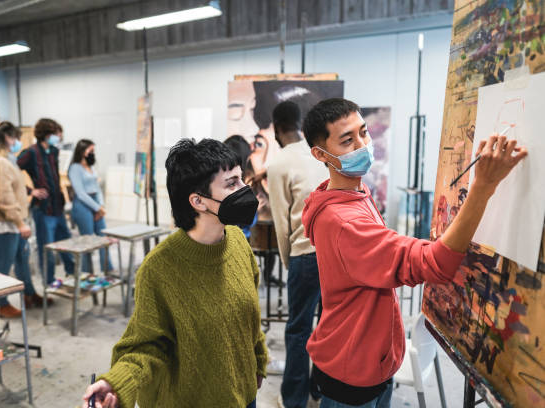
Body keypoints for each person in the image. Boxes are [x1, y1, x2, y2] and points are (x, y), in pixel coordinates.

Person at [300, 98, 528, 408]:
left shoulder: (350, 192)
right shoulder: (342, 222)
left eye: (363, 133)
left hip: (368, 359)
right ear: (320, 154)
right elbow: (435, 264)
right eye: (347, 140)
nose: (363, 144)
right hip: (353, 371)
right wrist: (483, 187)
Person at [82, 139, 268, 408]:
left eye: (241, 179)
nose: (244, 190)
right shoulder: (159, 269)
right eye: (231, 183)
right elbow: (146, 346)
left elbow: (250, 318)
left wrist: (258, 361)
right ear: (198, 201)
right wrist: (115, 383)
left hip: (243, 395)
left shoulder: (238, 241)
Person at [267, 101, 328, 408]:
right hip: (335, 255)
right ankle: (318, 392)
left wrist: (289, 262)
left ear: (276, 128)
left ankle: (293, 399)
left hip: (305, 253)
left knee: (298, 329)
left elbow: (281, 221)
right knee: (327, 325)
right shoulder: (320, 153)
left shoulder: (278, 163)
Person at [0, 121, 48, 318]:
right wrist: (19, 223)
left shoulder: (7, 159)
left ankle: (29, 293)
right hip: (6, 224)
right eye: (15, 137)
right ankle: (0, 304)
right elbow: (4, 198)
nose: (18, 142)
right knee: (3, 266)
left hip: (15, 220)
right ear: (6, 138)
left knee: (22, 259)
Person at [17, 118, 74, 286]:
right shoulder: (31, 153)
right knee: (47, 247)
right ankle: (49, 281)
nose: (59, 137)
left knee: (66, 243)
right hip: (43, 209)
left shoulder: (54, 151)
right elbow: (13, 171)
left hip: (58, 207)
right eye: (56, 134)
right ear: (46, 134)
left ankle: (71, 273)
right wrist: (30, 191)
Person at [68, 139, 113, 273]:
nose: (93, 153)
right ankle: (87, 273)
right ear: (82, 151)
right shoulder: (75, 168)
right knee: (87, 242)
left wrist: (101, 206)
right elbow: (81, 193)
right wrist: (97, 208)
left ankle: (108, 269)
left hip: (95, 203)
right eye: (90, 150)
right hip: (82, 205)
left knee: (104, 238)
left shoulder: (91, 166)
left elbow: (97, 187)